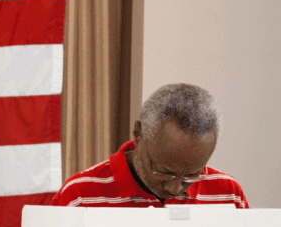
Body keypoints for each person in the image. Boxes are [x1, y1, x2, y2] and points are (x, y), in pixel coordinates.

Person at [52, 83, 248, 208]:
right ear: (138, 134)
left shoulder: (229, 195)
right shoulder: (78, 197)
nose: (174, 188)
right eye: (164, 172)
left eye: (191, 176)